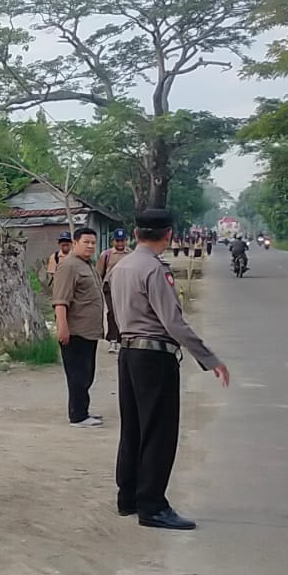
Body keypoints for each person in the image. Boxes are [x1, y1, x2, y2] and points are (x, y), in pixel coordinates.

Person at [108, 209, 229, 531]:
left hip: (128, 353)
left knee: (133, 428)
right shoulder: (154, 270)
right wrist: (209, 359)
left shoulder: (121, 267)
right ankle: (152, 506)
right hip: (154, 357)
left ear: (135, 234)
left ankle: (128, 497)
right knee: (159, 432)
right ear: (169, 235)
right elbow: (173, 323)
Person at [52, 227, 105, 428]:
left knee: (87, 373)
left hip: (89, 331)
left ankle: (83, 410)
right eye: (86, 242)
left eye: (93, 243)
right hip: (75, 331)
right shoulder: (69, 266)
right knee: (78, 375)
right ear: (75, 243)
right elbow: (60, 301)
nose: (90, 246)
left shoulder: (87, 265)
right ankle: (77, 416)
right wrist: (62, 328)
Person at [96, 229, 131, 354]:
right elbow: (99, 273)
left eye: (122, 241)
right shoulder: (106, 255)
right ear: (113, 241)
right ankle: (113, 339)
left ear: (126, 241)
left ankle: (123, 339)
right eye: (118, 241)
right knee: (112, 312)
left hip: (126, 287)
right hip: (109, 287)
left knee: (125, 312)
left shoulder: (131, 254)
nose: (120, 243)